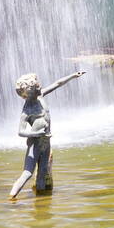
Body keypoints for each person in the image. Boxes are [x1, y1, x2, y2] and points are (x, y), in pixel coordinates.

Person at [8, 70, 86, 199]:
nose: (40, 87)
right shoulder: (27, 111)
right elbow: (20, 132)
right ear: (29, 92)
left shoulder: (41, 96)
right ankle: (11, 197)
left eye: (38, 85)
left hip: (46, 143)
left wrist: (73, 76)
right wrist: (37, 133)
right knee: (27, 173)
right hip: (34, 145)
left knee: (43, 171)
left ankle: (41, 201)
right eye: (37, 87)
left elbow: (57, 83)